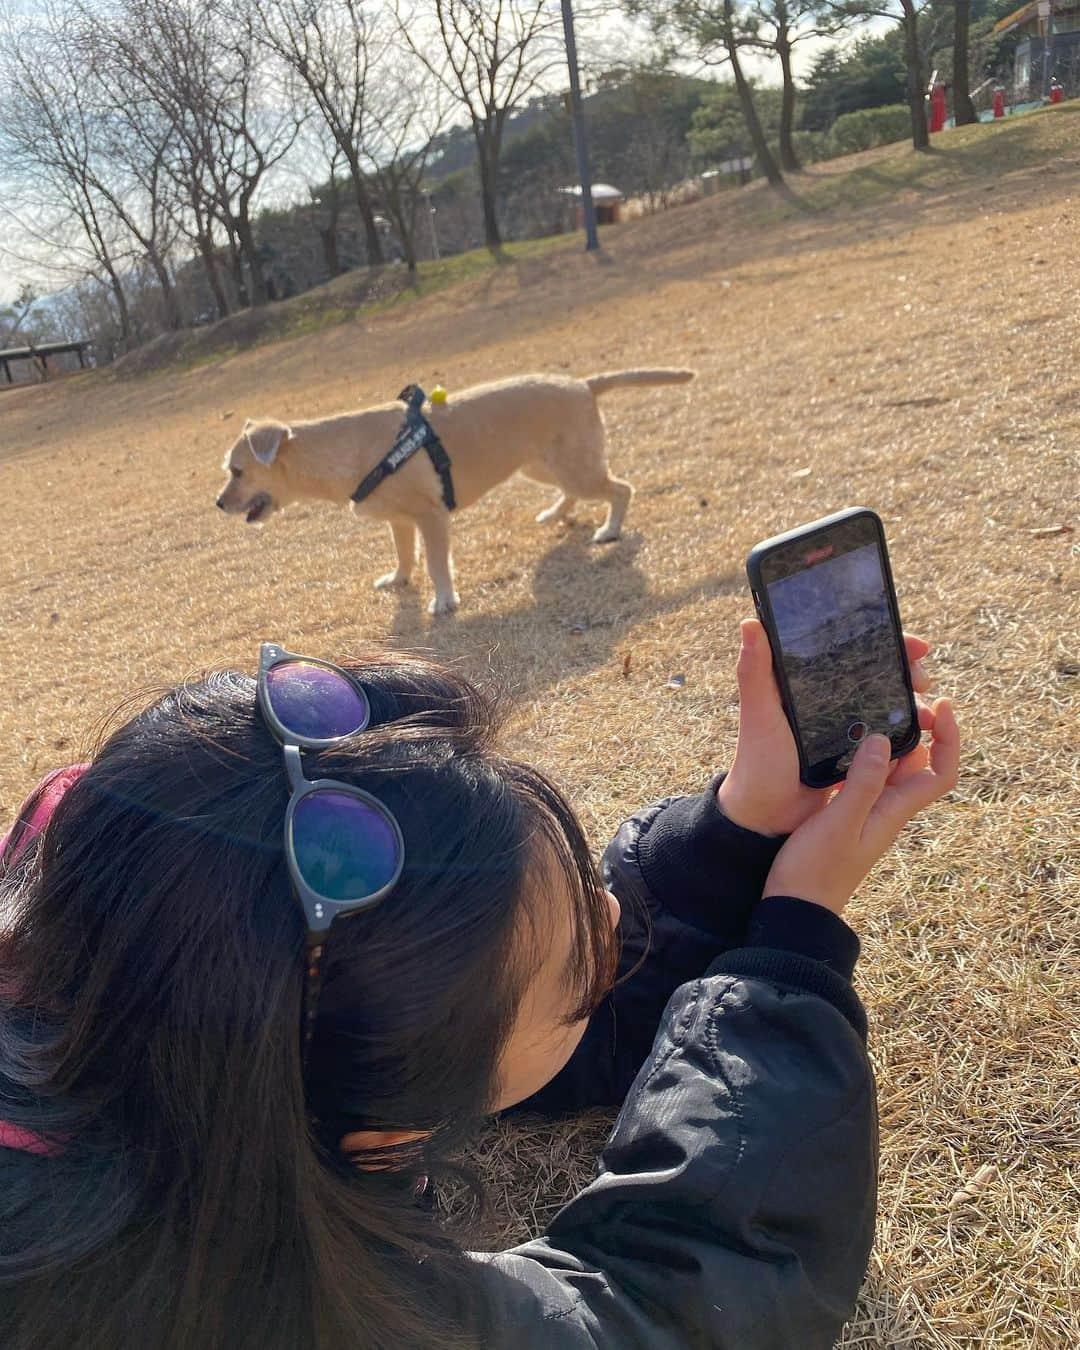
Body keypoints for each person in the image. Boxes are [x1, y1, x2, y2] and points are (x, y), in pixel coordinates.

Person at [0, 621, 958, 1350]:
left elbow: (454, 982)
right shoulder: (245, 1301)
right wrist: (793, 944)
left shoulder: (136, 895)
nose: (614, 915)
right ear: (385, 1139)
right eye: (578, 974)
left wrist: (737, 833)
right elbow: (668, 1311)